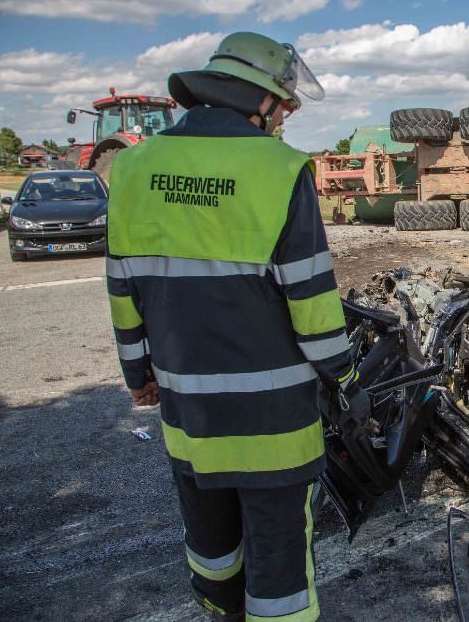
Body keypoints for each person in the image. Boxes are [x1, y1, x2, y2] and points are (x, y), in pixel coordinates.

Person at [106, 32, 362, 621]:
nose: (283, 119)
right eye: (284, 105)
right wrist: (343, 373)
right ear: (261, 100)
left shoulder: (133, 167)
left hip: (189, 413)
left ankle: (218, 611)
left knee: (212, 546)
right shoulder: (280, 169)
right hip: (272, 422)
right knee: (280, 569)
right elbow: (312, 298)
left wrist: (137, 372)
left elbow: (123, 287)